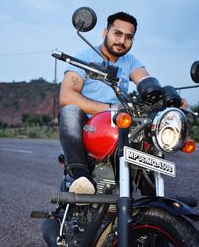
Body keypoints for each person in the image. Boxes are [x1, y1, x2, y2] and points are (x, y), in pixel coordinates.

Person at [58, 11, 187, 195]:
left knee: (149, 126)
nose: (122, 41)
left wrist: (168, 99)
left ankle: (155, 201)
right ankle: (80, 176)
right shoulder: (85, 56)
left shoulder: (130, 61)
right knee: (69, 110)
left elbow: (146, 81)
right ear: (105, 32)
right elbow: (67, 96)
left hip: (120, 123)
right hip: (88, 125)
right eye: (117, 34)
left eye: (128, 37)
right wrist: (110, 109)